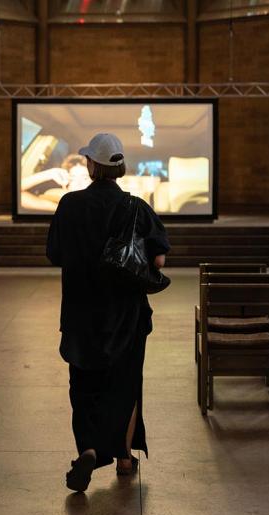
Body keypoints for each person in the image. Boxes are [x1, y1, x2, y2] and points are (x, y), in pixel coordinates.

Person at [46, 132, 170, 492]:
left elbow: (55, 255)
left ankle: (87, 449)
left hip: (80, 312)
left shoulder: (69, 205)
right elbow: (158, 258)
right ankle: (124, 458)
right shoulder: (136, 207)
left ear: (90, 165)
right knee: (125, 385)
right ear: (119, 167)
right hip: (126, 315)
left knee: (82, 386)